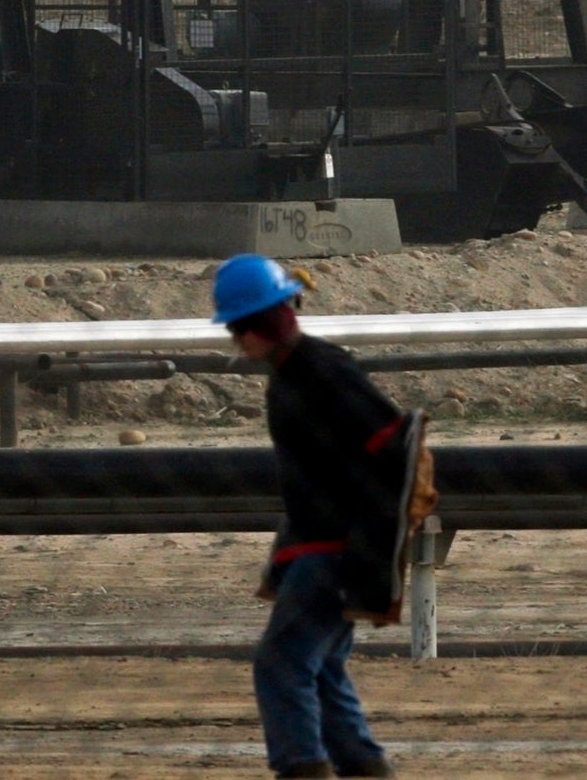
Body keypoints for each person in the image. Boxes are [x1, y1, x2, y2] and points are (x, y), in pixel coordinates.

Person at [215, 253, 431, 780]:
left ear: (272, 320)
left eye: (245, 325)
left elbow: (393, 447)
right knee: (323, 667)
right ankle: (362, 765)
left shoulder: (323, 371)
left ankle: (302, 767)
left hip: (334, 549)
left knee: (282, 663)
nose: (239, 338)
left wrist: (368, 543)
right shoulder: (292, 375)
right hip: (322, 544)